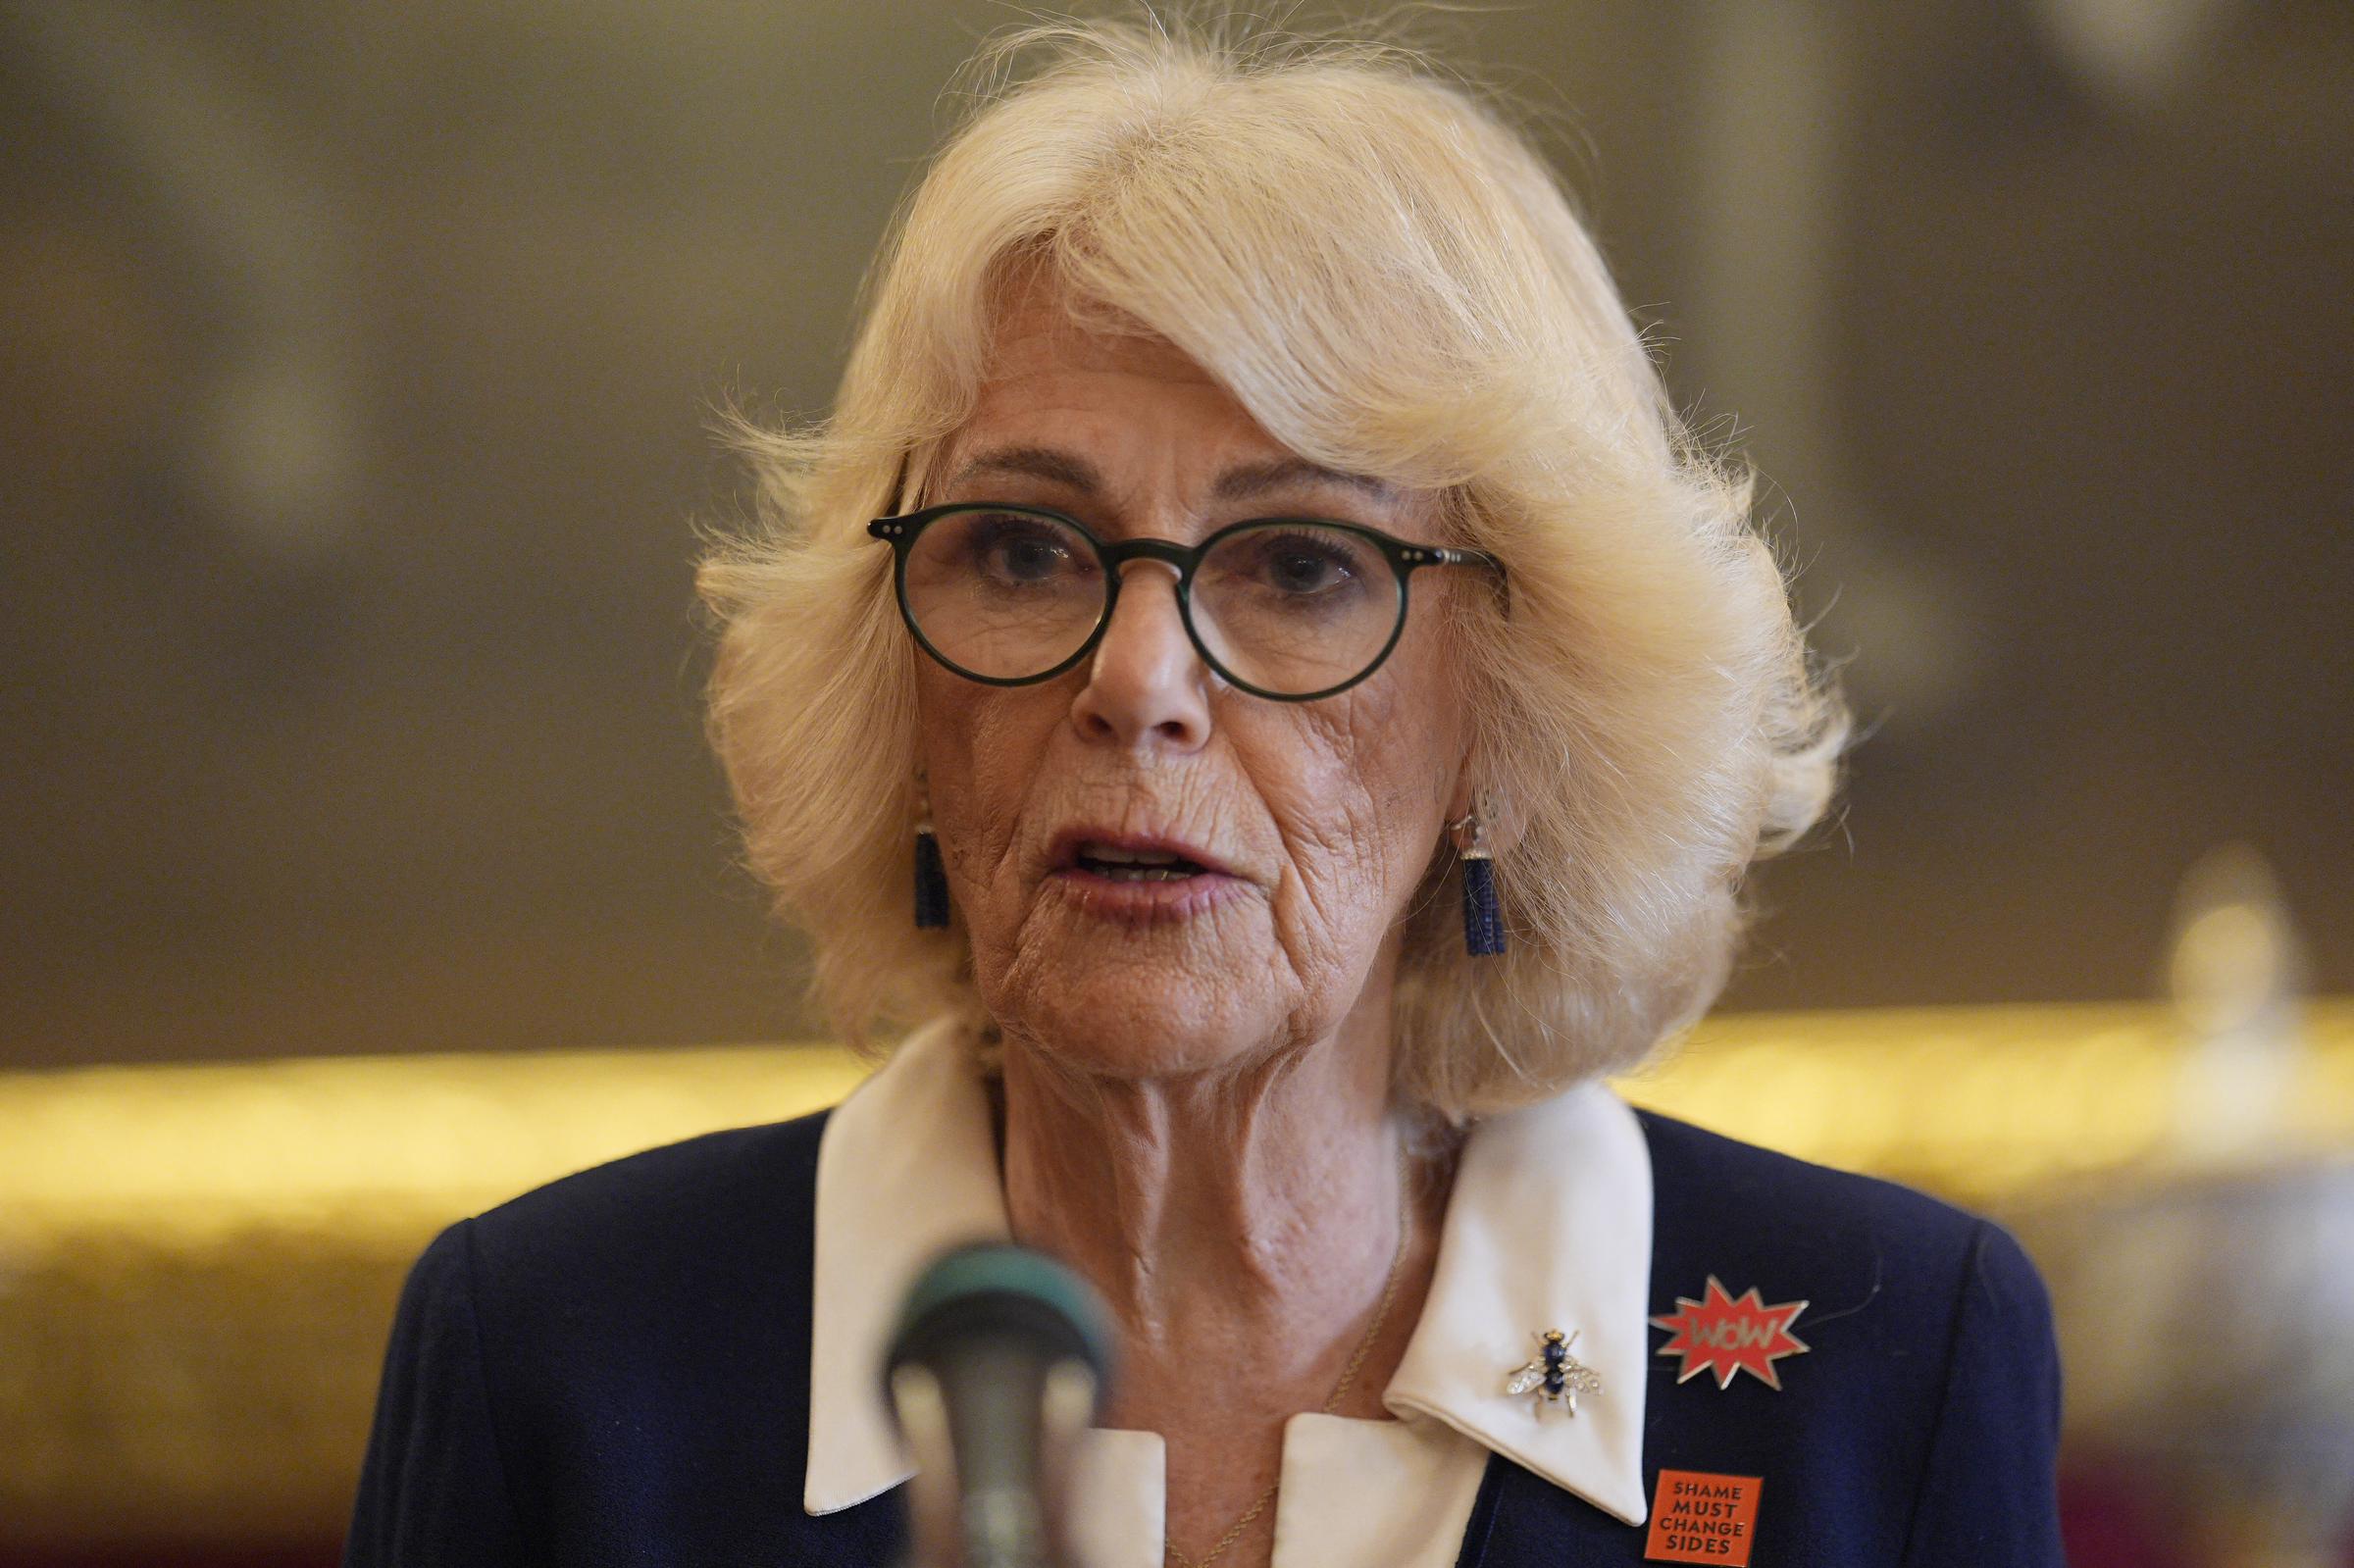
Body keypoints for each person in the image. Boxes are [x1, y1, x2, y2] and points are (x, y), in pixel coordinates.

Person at [346, 20, 2063, 1568]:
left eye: (1301, 564)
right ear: (901, 692)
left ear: (1513, 721)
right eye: (1022, 547)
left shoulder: (1886, 1370)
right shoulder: (560, 1364)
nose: (1137, 680)